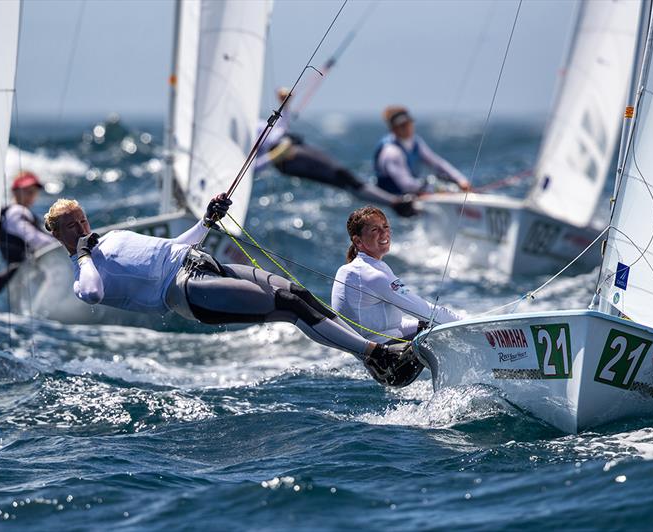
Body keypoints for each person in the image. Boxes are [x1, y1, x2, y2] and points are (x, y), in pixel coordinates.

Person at [44, 194, 420, 387]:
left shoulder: (114, 237)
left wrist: (206, 220)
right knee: (287, 305)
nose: (80, 228)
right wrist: (82, 255)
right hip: (186, 290)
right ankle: (377, 355)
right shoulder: (84, 271)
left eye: (82, 220)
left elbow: (175, 245)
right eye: (70, 226)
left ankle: (373, 355)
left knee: (299, 294)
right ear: (56, 233)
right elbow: (92, 294)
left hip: (199, 260)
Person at [255, 87, 416, 217]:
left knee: (343, 177)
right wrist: (276, 155)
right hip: (287, 158)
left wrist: (285, 106)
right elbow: (251, 168)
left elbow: (279, 130)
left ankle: (395, 202)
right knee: (342, 177)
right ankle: (396, 203)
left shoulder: (252, 121)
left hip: (292, 148)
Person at [331, 205, 462, 348]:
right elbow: (427, 312)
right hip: (390, 356)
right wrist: (470, 326)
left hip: (376, 353)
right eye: (375, 230)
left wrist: (423, 326)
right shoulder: (373, 275)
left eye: (385, 226)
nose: (384, 233)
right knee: (446, 330)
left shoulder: (352, 269)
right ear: (358, 241)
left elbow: (390, 325)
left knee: (436, 326)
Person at [374, 106, 472, 195]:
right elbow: (405, 184)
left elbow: (437, 163)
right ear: (393, 129)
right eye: (402, 126)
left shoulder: (415, 142)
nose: (407, 128)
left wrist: (461, 180)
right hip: (395, 200)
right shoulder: (392, 152)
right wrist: (435, 188)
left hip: (411, 193)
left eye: (408, 123)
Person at [0, 171, 55, 297]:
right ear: (15, 191)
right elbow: (35, 240)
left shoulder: (9, 212)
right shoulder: (17, 212)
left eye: (34, 192)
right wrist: (64, 244)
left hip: (16, 273)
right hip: (22, 271)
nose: (31, 195)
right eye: (27, 191)